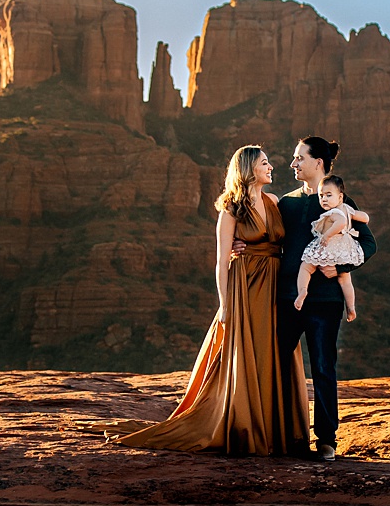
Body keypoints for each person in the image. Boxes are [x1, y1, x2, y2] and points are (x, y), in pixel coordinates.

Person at [116, 144, 310, 456]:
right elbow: (221, 262)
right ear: (248, 169)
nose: (271, 167)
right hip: (246, 287)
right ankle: (249, 427)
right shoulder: (231, 209)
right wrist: (225, 305)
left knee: (277, 352)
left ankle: (279, 430)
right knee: (251, 352)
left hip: (277, 286)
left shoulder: (274, 202)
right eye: (265, 163)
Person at [276, 137, 377, 462]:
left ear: (318, 162)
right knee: (274, 365)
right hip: (288, 299)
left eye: (299, 158)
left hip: (326, 303)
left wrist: (342, 266)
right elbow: (267, 240)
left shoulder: (340, 201)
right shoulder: (287, 204)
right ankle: (278, 434)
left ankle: (326, 441)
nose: (293, 164)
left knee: (322, 367)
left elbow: (370, 243)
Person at [294, 173, 369, 321]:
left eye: (329, 195)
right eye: (321, 196)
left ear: (340, 197)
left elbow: (340, 223)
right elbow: (365, 218)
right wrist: (355, 218)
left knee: (306, 267)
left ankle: (302, 291)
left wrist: (327, 235)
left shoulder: (334, 212)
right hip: (344, 249)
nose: (324, 199)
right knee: (345, 280)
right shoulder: (348, 209)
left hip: (329, 245)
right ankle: (351, 307)